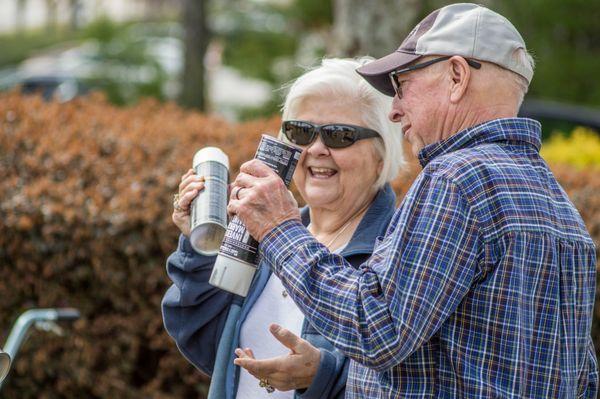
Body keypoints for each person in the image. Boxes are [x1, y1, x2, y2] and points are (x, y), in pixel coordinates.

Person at [229, 3, 598, 398]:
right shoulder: (556, 201)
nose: (394, 111)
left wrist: (279, 228)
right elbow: (581, 378)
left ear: (456, 76)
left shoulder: (457, 178)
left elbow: (377, 327)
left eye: (402, 87)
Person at [161, 57, 404, 398]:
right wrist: (201, 246)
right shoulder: (259, 235)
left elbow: (417, 373)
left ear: (383, 152)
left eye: (339, 135)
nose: (316, 149)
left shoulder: (400, 246)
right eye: (301, 132)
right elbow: (206, 343)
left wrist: (322, 374)